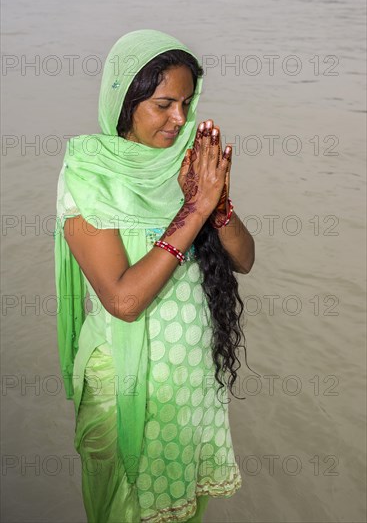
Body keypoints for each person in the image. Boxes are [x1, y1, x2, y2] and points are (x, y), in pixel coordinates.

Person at [54, 29, 255, 523]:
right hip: (125, 385)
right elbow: (123, 301)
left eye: (187, 103)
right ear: (125, 102)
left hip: (189, 381)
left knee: (181, 511)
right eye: (164, 104)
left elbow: (244, 260)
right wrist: (194, 209)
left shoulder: (182, 166)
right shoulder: (89, 174)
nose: (180, 119)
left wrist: (218, 205)